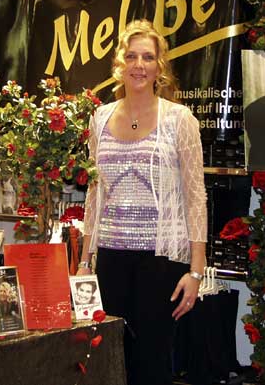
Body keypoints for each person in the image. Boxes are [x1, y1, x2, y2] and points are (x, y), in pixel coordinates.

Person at [78, 19, 207, 385]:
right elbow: (94, 192)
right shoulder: (100, 118)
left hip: (161, 261)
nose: (139, 64)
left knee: (151, 364)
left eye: (148, 57)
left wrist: (196, 272)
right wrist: (85, 261)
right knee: (109, 362)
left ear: (159, 65)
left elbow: (195, 196)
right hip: (110, 258)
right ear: (120, 62)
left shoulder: (180, 120)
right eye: (132, 56)